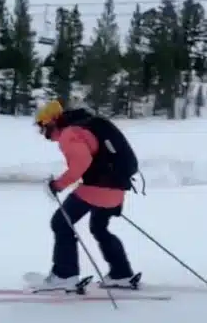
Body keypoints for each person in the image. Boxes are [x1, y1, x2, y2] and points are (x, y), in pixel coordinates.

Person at [34, 100, 139, 290]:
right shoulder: (88, 124)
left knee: (60, 222)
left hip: (97, 188)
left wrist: (57, 185)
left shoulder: (70, 134)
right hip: (118, 188)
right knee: (99, 228)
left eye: (42, 127)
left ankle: (64, 274)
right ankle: (121, 273)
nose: (43, 133)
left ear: (51, 122)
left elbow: (81, 163)